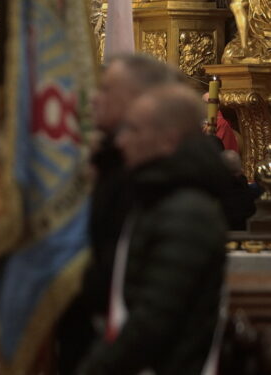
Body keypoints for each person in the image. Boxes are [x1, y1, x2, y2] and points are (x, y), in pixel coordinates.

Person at [79, 84, 228, 374]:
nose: (121, 141)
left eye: (132, 130)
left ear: (168, 140)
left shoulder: (188, 211)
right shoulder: (155, 196)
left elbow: (152, 323)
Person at [57, 54, 182, 374]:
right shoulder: (111, 166)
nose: (94, 99)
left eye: (106, 89)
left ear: (138, 100)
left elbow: (139, 297)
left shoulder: (159, 185)